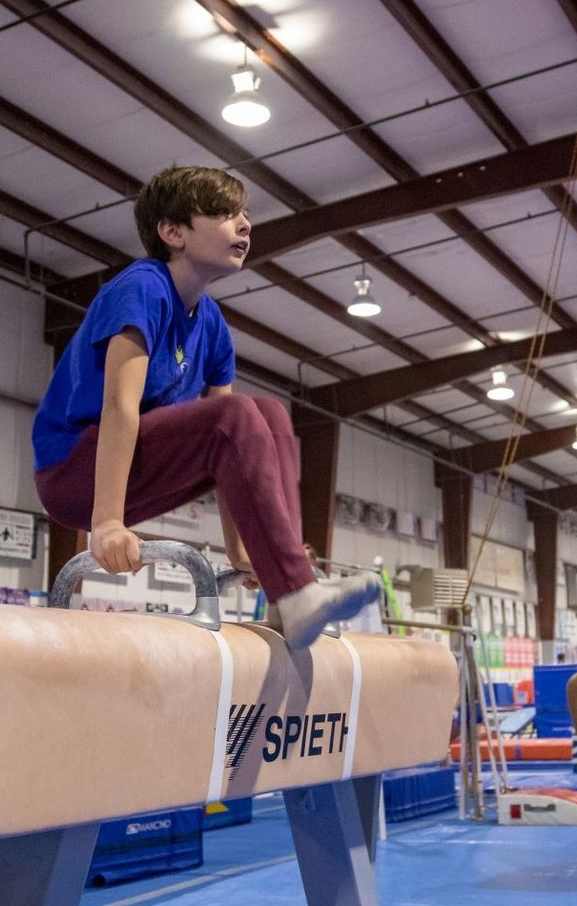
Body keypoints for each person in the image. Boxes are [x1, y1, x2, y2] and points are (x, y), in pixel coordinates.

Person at [31, 168, 377, 648]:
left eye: (245, 215)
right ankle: (297, 589)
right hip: (74, 473)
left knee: (270, 414)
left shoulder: (213, 324)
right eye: (223, 214)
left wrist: (246, 551)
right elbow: (118, 407)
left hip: (133, 470)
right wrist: (107, 521)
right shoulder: (143, 288)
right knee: (233, 417)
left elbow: (234, 459)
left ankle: (286, 586)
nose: (245, 225)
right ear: (173, 233)